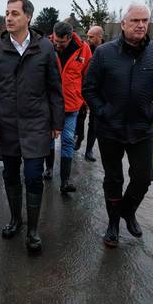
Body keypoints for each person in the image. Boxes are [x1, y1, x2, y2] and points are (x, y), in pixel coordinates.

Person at [84, 3, 153, 247]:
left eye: (145, 20)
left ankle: (128, 210)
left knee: (143, 177)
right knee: (113, 179)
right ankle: (113, 225)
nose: (141, 25)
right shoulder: (104, 53)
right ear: (123, 24)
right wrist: (102, 112)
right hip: (110, 129)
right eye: (135, 20)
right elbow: (89, 88)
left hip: (141, 128)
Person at [0, 0, 64, 253]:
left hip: (37, 124)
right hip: (6, 126)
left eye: (14, 13)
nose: (8, 17)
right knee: (11, 174)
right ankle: (16, 219)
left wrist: (57, 121)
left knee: (34, 176)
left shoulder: (45, 48)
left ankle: (33, 230)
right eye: (7, 13)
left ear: (28, 17)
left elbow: (54, 88)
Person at [44, 21, 92, 193]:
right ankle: (48, 168)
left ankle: (65, 180)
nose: (58, 45)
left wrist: (85, 101)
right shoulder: (46, 46)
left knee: (67, 140)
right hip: (49, 105)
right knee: (49, 139)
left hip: (72, 105)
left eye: (61, 43)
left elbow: (88, 76)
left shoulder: (84, 50)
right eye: (55, 41)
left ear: (70, 37)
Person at [74, 26, 104, 162]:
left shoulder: (105, 51)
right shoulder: (84, 49)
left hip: (99, 93)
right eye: (87, 36)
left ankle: (89, 150)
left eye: (91, 37)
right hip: (82, 91)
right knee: (79, 118)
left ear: (99, 37)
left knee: (94, 123)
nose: (88, 39)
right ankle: (79, 138)